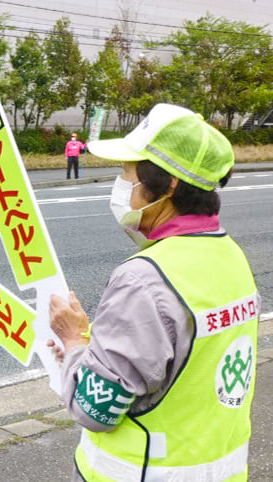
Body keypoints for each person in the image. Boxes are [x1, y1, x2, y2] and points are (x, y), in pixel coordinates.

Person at [48, 103, 259, 481]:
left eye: (127, 175)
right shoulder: (230, 255)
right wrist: (99, 344)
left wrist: (76, 342)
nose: (122, 187)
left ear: (168, 185)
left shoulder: (145, 279)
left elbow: (94, 409)